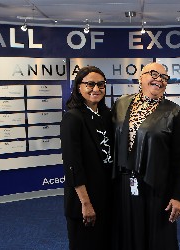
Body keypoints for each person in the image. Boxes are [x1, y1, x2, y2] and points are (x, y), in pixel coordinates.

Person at [112, 62, 180, 250]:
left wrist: (179, 196)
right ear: (141, 78)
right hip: (124, 184)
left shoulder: (174, 112)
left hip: (158, 186)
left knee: (158, 238)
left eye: (164, 77)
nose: (159, 79)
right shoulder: (121, 104)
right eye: (153, 74)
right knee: (127, 234)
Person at [60, 66, 113, 250]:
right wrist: (86, 203)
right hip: (84, 199)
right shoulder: (72, 118)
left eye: (101, 84)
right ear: (78, 87)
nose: (96, 89)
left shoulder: (106, 115)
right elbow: (73, 165)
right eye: (90, 84)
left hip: (106, 196)